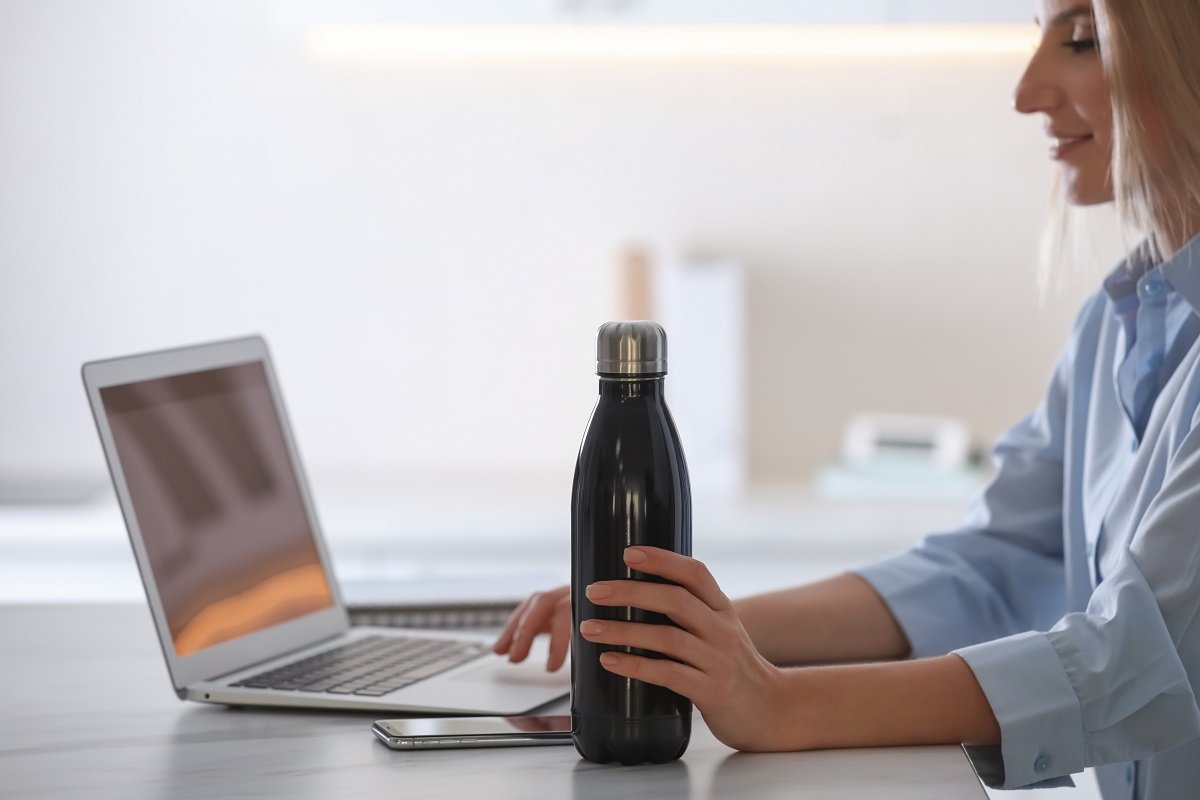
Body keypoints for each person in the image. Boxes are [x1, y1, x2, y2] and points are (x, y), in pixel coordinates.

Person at [493, 1, 1200, 796]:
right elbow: (989, 567)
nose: (1026, 91)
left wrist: (782, 705)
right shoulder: (1116, 326)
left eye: (1082, 39)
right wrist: (678, 632)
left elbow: (1139, 659)